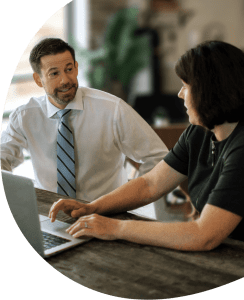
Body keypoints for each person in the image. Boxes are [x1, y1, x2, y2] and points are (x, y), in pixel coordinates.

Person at [49, 40, 244, 251]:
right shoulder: (199, 132)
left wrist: (115, 228)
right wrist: (93, 207)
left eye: (185, 87)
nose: (180, 94)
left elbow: (204, 234)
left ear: (210, 92)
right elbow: (151, 184)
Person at [0, 38, 168, 201]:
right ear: (38, 79)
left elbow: (158, 158)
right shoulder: (24, 116)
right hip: (49, 216)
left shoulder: (112, 109)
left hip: (107, 216)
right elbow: (3, 159)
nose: (65, 80)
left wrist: (128, 197)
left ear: (77, 68)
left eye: (69, 69)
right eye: (54, 73)